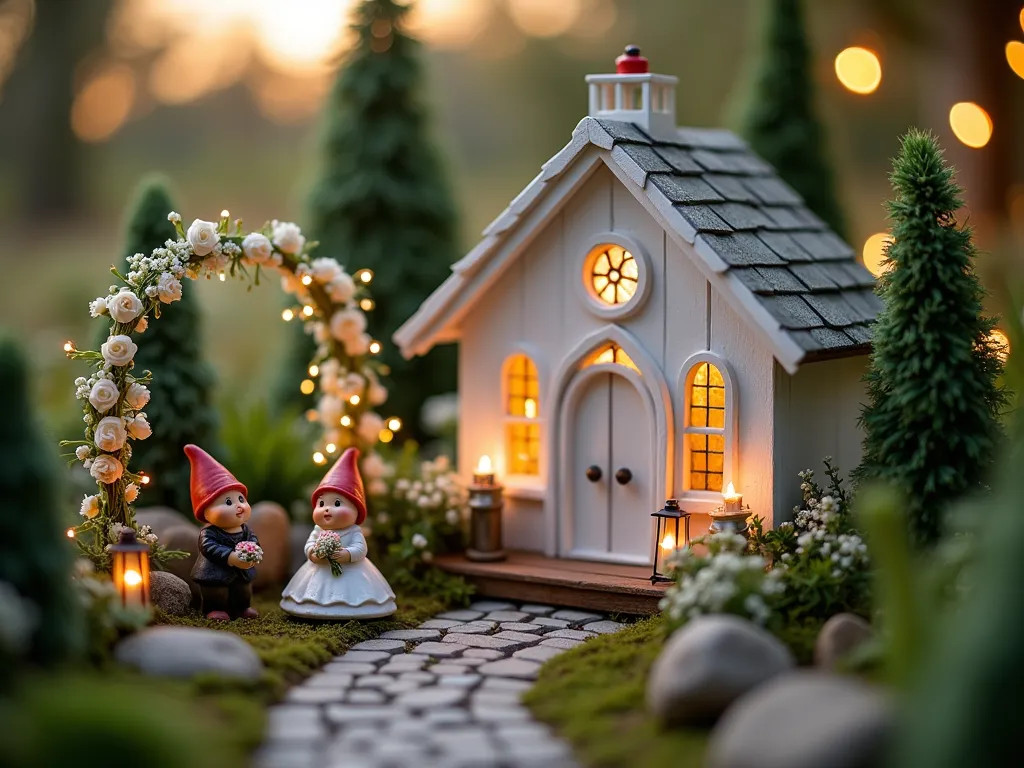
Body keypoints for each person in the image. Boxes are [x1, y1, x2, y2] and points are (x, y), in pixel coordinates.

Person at [281, 447, 396, 619]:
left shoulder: (354, 531)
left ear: (357, 511)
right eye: (321, 504)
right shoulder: (318, 530)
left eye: (336, 503)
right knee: (313, 593)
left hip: (352, 572)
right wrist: (313, 553)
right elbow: (310, 544)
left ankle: (355, 607)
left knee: (355, 595)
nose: (327, 509)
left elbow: (360, 549)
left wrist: (346, 554)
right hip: (318, 569)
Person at [185, 444, 260, 621]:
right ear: (206, 512)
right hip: (215, 574)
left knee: (243, 590)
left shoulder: (245, 529)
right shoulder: (209, 533)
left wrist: (254, 550)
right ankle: (215, 609)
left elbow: (253, 539)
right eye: (228, 502)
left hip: (242, 573)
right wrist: (230, 557)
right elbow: (209, 547)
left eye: (241, 499)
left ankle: (242, 608)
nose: (239, 506)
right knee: (216, 593)